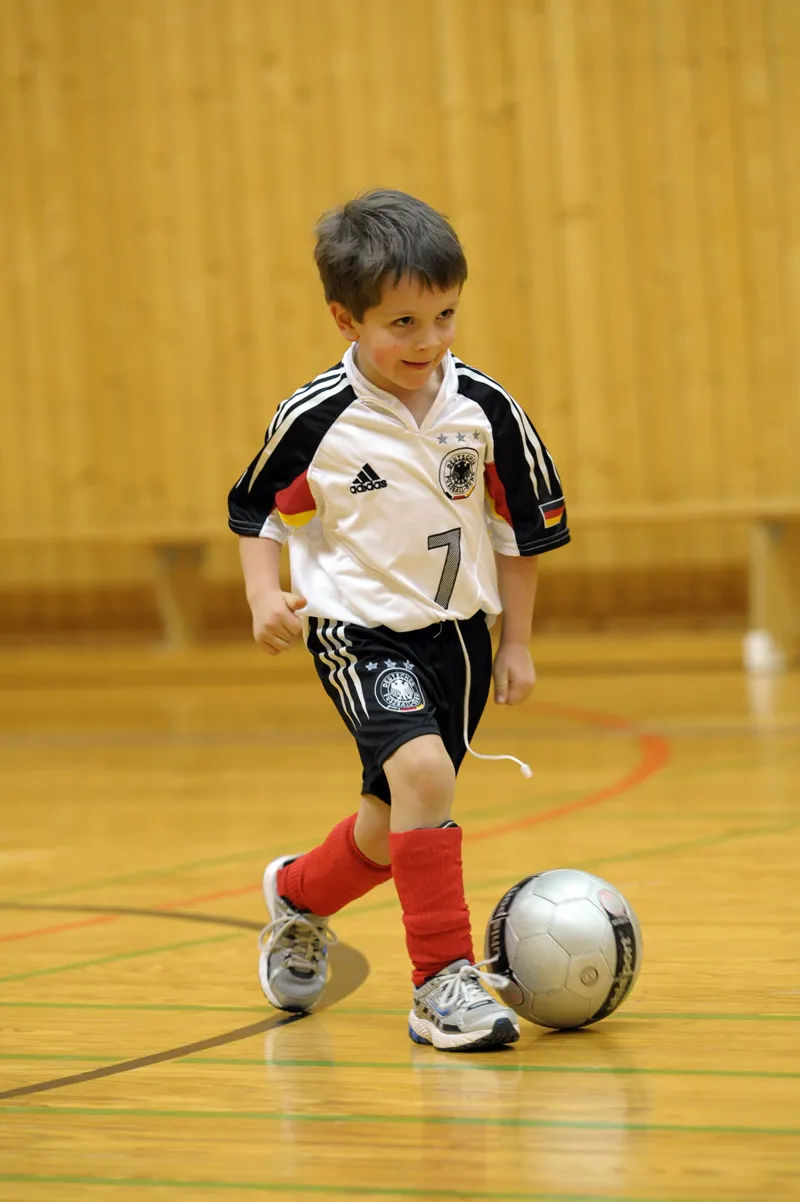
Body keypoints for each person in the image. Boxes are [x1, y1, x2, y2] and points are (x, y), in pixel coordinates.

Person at [228, 189, 570, 1052]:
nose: (429, 341)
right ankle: (441, 983)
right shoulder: (315, 417)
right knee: (424, 776)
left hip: (455, 637)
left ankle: (299, 897)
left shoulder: (487, 411)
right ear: (347, 320)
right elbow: (257, 510)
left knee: (392, 825)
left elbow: (520, 532)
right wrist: (265, 595)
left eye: (446, 316)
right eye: (403, 323)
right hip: (357, 628)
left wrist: (518, 640)